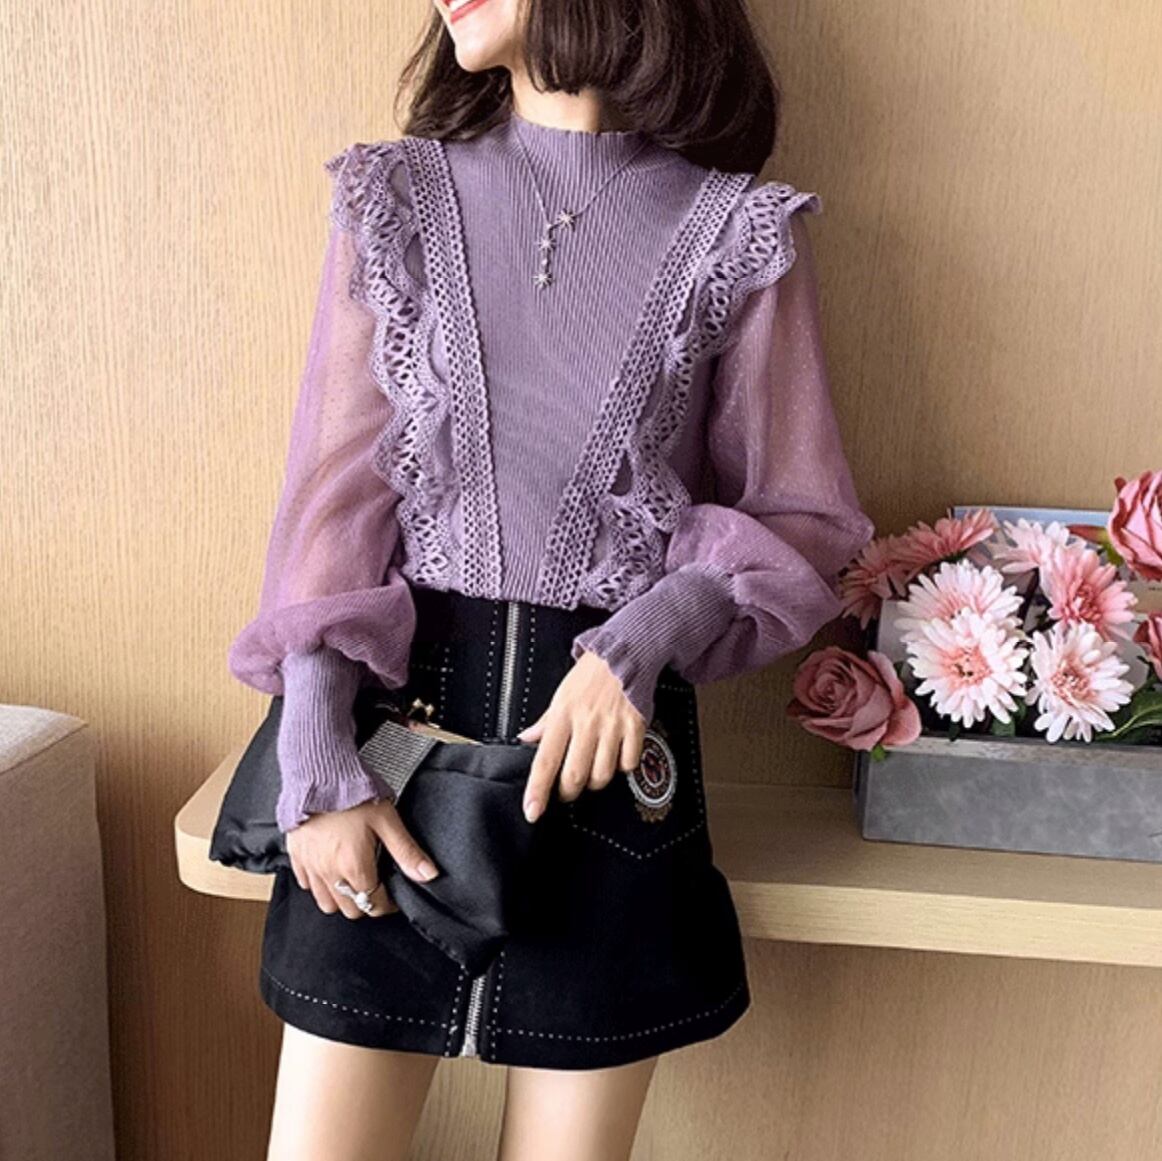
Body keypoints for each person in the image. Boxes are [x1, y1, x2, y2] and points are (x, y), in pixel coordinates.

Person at [226, 0, 877, 1157]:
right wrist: (318, 754)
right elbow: (332, 505)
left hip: (606, 775)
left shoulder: (737, 231)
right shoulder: (394, 197)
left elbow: (805, 516)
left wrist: (639, 641)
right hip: (385, 762)